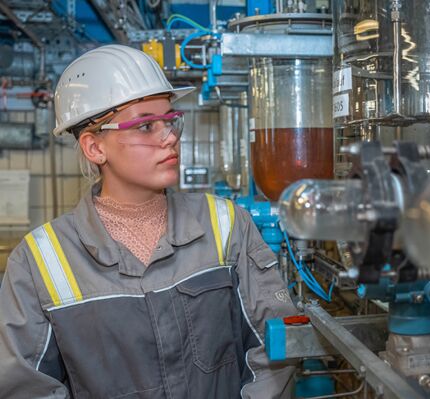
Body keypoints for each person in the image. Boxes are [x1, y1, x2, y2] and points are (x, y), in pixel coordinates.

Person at [0, 44, 297, 398]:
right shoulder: (40, 261)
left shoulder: (227, 224)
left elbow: (276, 346)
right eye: (145, 126)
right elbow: (27, 388)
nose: (170, 137)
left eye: (171, 120)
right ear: (95, 148)